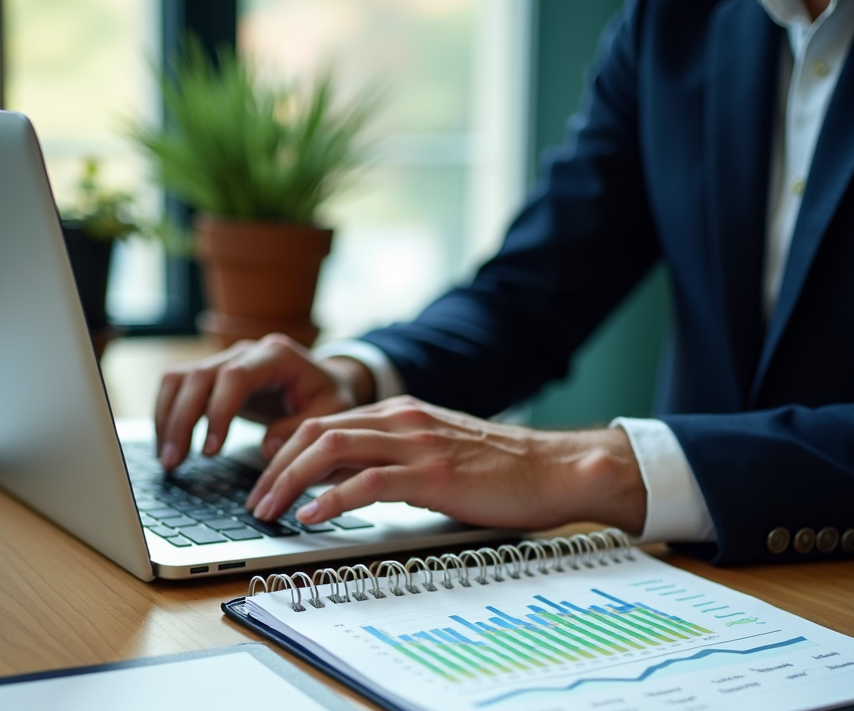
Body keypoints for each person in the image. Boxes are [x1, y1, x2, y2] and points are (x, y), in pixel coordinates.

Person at [154, 0, 854, 566]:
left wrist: (593, 465)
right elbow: (531, 291)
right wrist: (357, 375)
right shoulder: (675, 21)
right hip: (694, 575)